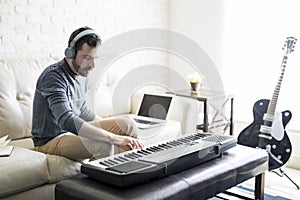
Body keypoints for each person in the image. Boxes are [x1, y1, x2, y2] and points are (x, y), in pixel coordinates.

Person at [31, 26, 143, 161]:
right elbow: (66, 120)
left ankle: (129, 172)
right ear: (70, 53)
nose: (93, 65)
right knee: (103, 144)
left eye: (95, 58)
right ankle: (106, 180)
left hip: (72, 133)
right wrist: (113, 137)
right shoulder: (53, 77)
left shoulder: (82, 72)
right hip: (51, 139)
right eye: (87, 58)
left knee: (127, 125)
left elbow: (82, 110)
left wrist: (110, 128)